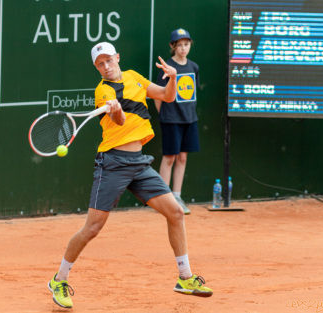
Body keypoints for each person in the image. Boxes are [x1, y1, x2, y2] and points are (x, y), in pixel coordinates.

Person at [47, 42, 212, 309]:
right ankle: (59, 279)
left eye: (108, 60)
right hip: (112, 163)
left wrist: (172, 78)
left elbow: (167, 97)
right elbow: (121, 122)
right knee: (93, 228)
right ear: (96, 67)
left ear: (117, 57)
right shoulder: (102, 91)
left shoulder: (134, 77)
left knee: (176, 213)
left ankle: (185, 277)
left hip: (139, 162)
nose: (106, 66)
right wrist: (115, 109)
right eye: (100, 64)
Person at [154, 28, 201, 215]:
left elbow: (192, 94)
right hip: (171, 119)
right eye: (179, 45)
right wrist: (165, 114)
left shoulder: (194, 67)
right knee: (169, 158)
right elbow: (158, 95)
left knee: (182, 157)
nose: (183, 48)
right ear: (172, 47)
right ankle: (163, 199)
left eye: (186, 44)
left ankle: (177, 196)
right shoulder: (167, 67)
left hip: (189, 119)